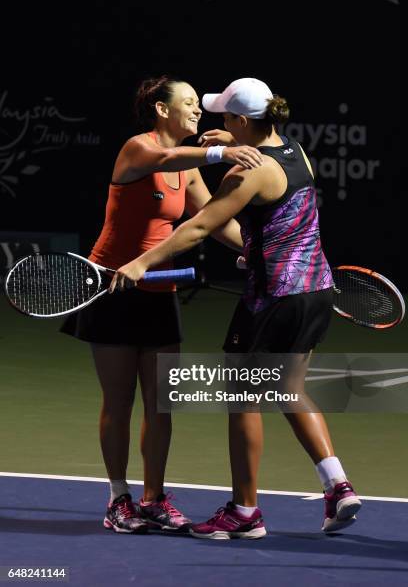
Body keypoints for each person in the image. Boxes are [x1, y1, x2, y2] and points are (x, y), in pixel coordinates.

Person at [109, 77, 362, 538]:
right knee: (288, 388)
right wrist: (233, 143)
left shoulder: (246, 173)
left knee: (242, 397)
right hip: (316, 289)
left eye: (227, 117)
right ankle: (337, 485)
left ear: (243, 120)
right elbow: (272, 201)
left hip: (274, 298)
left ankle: (245, 512)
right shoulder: (295, 151)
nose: (218, 122)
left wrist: (141, 263)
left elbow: (200, 226)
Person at [61, 75, 263, 534]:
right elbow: (165, 155)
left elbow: (213, 221)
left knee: (161, 404)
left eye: (198, 104)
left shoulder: (187, 168)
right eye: (189, 103)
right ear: (161, 110)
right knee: (119, 400)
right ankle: (118, 499)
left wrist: (255, 252)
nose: (198, 111)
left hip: (159, 295)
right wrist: (222, 152)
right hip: (111, 289)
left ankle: (153, 498)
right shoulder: (138, 149)